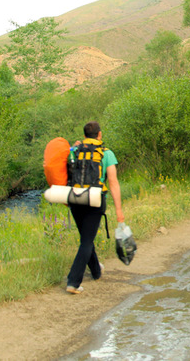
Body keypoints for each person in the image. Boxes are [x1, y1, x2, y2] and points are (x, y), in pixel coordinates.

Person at [66, 121, 125, 294]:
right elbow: (113, 183)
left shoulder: (74, 151)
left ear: (84, 135)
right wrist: (119, 210)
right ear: (99, 135)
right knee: (86, 241)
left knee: (86, 237)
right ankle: (73, 282)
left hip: (75, 199)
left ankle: (96, 272)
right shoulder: (106, 154)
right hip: (95, 200)